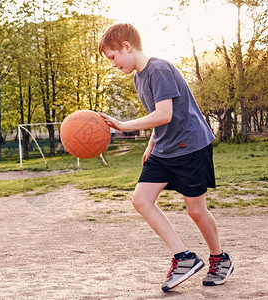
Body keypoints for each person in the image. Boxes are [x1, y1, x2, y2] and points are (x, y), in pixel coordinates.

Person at [98, 23, 233, 292]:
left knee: (195, 210)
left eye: (113, 57)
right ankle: (183, 257)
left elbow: (165, 114)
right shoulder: (139, 77)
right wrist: (151, 143)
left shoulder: (159, 69)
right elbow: (159, 117)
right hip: (164, 149)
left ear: (127, 46)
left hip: (191, 146)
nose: (113, 65)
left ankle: (220, 259)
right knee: (141, 200)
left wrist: (123, 125)